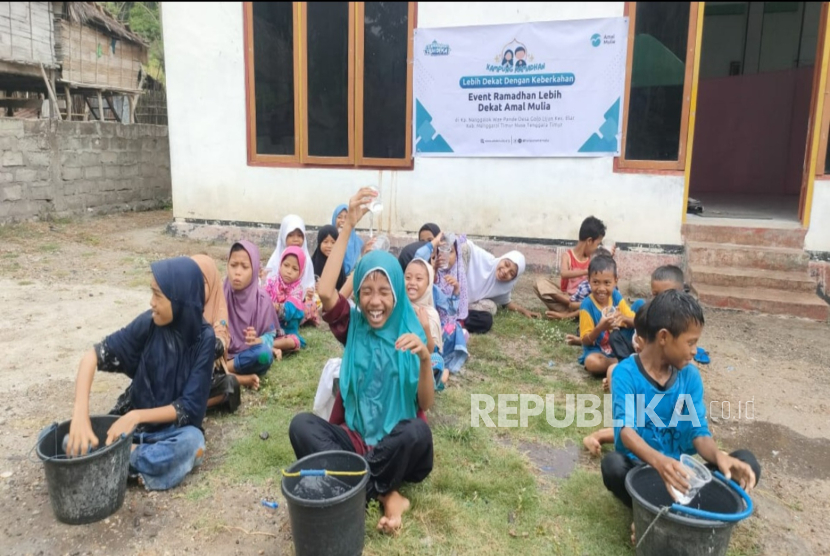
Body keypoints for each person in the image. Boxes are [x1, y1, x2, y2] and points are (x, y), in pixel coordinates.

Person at [289, 188, 434, 535]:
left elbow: (424, 404)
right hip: (354, 439)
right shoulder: (353, 327)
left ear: (396, 295)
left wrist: (426, 358)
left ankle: (352, 482)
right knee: (301, 426)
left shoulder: (410, 333)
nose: (374, 301)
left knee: (417, 431)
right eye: (367, 291)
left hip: (397, 444)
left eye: (384, 292)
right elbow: (325, 293)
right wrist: (348, 227)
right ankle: (387, 495)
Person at [601, 291, 760, 543]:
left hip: (681, 475)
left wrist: (720, 456)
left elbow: (699, 433)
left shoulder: (690, 377)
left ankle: (666, 513)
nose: (695, 351)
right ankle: (650, 511)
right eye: (690, 342)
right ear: (664, 336)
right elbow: (626, 432)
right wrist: (660, 463)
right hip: (642, 471)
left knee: (745, 462)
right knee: (613, 465)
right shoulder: (625, 374)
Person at [65, 257, 214, 491]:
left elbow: (188, 408)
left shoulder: (204, 339)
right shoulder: (148, 323)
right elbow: (91, 357)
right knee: (68, 441)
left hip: (171, 433)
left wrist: (137, 416)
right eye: (151, 293)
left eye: (158, 295)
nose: (151, 302)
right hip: (131, 433)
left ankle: (112, 460)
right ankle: (123, 460)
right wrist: (80, 413)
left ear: (179, 300)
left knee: (193, 444)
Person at [224, 241, 280, 390]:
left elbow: (270, 336)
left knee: (264, 355)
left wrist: (257, 339)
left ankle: (223, 370)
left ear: (254, 269)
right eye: (233, 265)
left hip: (247, 355)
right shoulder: (220, 293)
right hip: (219, 353)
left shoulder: (262, 300)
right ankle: (238, 376)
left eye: (244, 267)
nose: (237, 272)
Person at [191, 254, 240, 412]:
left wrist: (216, 342)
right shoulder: (179, 306)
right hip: (178, 374)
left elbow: (221, 332)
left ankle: (187, 408)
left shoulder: (218, 307)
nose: (196, 288)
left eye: (202, 283)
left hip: (205, 376)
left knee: (230, 385)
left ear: (212, 283)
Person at [536, 216, 606, 318]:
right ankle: (571, 309)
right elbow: (564, 273)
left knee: (594, 300)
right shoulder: (568, 256)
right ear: (589, 241)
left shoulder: (592, 259)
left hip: (583, 302)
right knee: (540, 283)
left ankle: (569, 313)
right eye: (597, 244)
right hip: (567, 299)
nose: (597, 248)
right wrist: (585, 271)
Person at [465, 240, 539, 333]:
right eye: (506, 264)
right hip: (451, 288)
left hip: (463, 305)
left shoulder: (504, 287)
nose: (505, 272)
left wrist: (524, 311)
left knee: (491, 309)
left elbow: (507, 303)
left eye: (511, 273)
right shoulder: (486, 259)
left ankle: (459, 319)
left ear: (513, 279)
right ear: (502, 258)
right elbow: (467, 246)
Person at [578, 255, 635, 376]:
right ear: (589, 280)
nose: (601, 288)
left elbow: (635, 320)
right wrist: (600, 328)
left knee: (640, 309)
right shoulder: (586, 306)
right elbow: (585, 341)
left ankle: (625, 362)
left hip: (619, 345)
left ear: (615, 281)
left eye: (607, 283)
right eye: (596, 282)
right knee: (592, 362)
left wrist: (623, 318)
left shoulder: (615, 296)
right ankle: (623, 363)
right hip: (599, 351)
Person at [405, 257, 448, 390]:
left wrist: (426, 327)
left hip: (421, 359)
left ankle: (440, 379)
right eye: (407, 277)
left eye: (418, 279)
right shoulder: (397, 306)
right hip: (401, 356)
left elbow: (430, 350)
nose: (412, 283)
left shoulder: (430, 314)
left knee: (436, 362)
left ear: (428, 283)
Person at [265, 246, 311, 355]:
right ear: (280, 264)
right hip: (267, 327)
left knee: (293, 341)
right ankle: (265, 343)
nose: (289, 271)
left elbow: (288, 311)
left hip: (285, 331)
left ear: (301, 272)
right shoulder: (271, 282)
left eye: (295, 269)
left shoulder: (297, 290)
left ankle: (266, 344)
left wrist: (276, 307)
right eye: (286, 265)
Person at [265, 215, 316, 297]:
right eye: (291, 235)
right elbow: (267, 283)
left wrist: (309, 292)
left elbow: (310, 283)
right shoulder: (275, 259)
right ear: (283, 235)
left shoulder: (307, 260)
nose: (295, 239)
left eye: (299, 235)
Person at [311, 225, 347, 291]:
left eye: (333, 242)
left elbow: (342, 287)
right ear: (319, 243)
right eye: (325, 242)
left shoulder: (338, 263)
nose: (329, 246)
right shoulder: (312, 263)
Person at [333, 204, 364, 276]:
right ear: (334, 220)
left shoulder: (359, 243)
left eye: (346, 217)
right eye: (339, 217)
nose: (343, 221)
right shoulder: (329, 241)